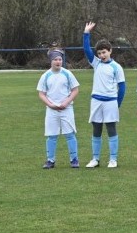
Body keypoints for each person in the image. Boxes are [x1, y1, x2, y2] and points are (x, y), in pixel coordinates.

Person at [82, 21, 126, 169]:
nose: (102, 55)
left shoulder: (116, 67)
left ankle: (113, 159)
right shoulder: (96, 63)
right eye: (99, 53)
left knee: (111, 129)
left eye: (104, 52)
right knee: (96, 129)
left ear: (110, 51)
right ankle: (95, 159)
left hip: (111, 102)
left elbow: (122, 87)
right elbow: (86, 49)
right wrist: (86, 33)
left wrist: (117, 103)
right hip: (96, 101)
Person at [37, 48, 80, 169]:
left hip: (67, 109)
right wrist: (50, 104)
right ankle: (50, 160)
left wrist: (66, 102)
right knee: (52, 136)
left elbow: (75, 90)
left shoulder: (67, 74)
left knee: (70, 134)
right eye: (55, 59)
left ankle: (74, 159)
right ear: (51, 61)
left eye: (60, 59)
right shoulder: (45, 76)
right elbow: (41, 93)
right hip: (51, 110)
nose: (58, 62)